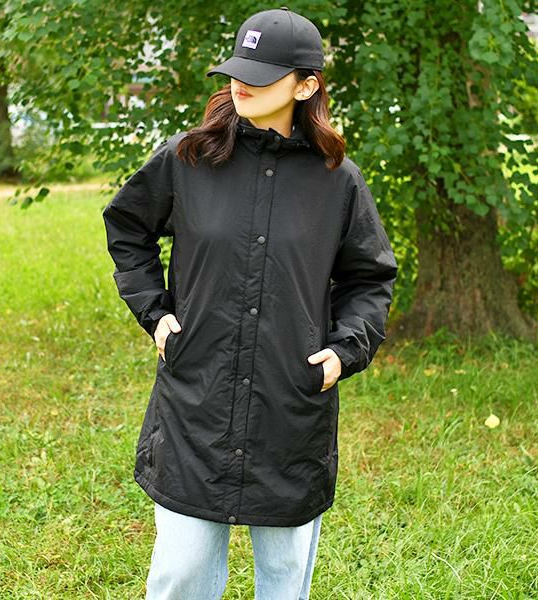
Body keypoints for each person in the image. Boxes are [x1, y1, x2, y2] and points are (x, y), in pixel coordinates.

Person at [101, 7, 398, 600]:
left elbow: (369, 278)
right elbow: (127, 228)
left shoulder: (338, 180)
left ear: (306, 86)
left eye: (261, 75)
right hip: (197, 396)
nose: (241, 84)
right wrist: (155, 313)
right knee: (181, 572)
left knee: (285, 577)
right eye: (238, 69)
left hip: (291, 402)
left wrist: (344, 351)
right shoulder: (186, 159)